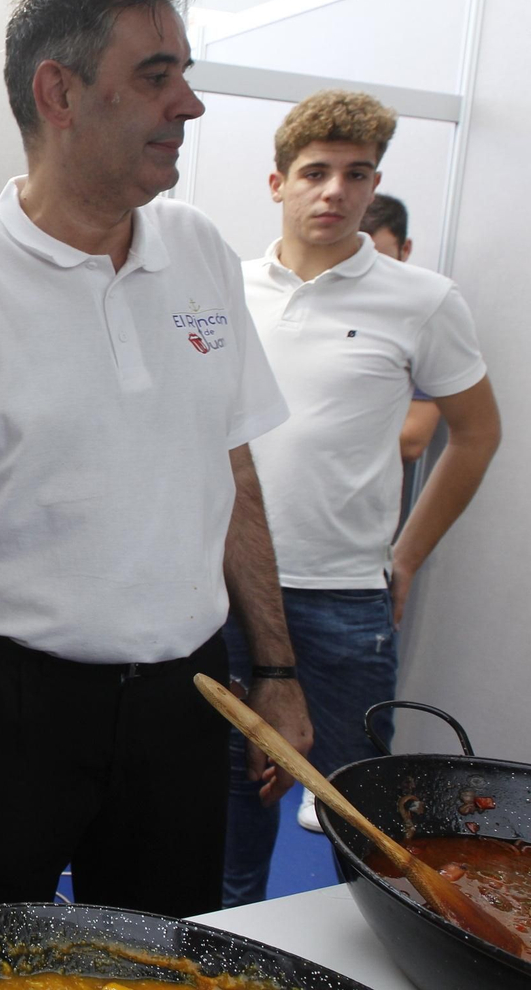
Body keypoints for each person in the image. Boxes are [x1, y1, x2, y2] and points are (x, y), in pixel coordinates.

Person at [0, 0, 311, 919]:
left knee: (159, 954)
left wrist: (278, 669)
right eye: (156, 76)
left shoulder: (202, 253)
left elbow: (233, 473)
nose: (190, 104)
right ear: (59, 92)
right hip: (9, 702)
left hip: (185, 698)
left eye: (184, 75)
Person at [223, 91, 500, 903]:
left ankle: (371, 941)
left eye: (356, 174)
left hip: (345, 599)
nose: (334, 191)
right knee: (231, 806)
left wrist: (406, 555)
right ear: (277, 182)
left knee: (357, 814)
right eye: (315, 172)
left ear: (375, 183)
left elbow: (476, 434)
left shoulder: (422, 299)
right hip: (229, 591)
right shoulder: (226, 289)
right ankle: (225, 942)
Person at [360, 194, 443, 466]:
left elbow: (412, 440)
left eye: (379, 261)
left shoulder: (421, 319)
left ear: (405, 250)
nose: (363, 273)